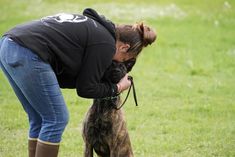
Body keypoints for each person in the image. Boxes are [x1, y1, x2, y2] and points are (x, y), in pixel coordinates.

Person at [0, 8, 156, 157]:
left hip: (8, 44)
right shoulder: (106, 44)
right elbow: (85, 89)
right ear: (124, 47)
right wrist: (118, 87)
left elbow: (74, 74)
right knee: (56, 119)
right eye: (124, 60)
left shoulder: (96, 29)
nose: (115, 63)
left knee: (38, 118)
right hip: (29, 52)